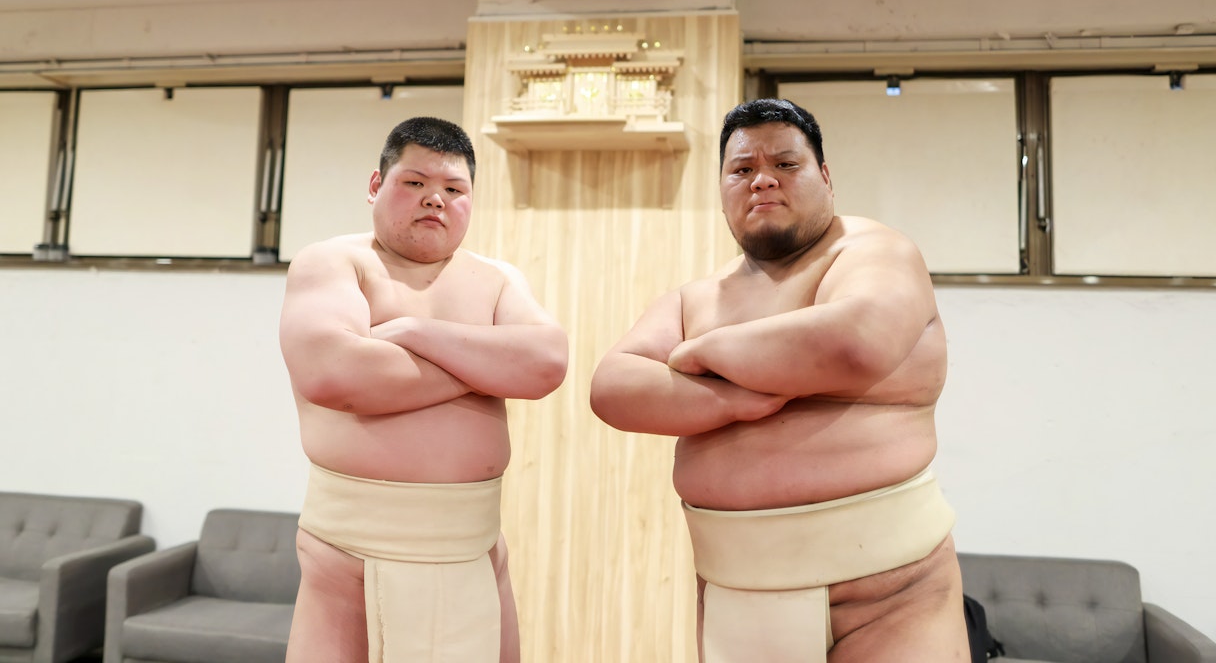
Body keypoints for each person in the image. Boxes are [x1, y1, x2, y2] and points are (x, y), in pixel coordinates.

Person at [589, 99, 967, 662]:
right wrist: (741, 397)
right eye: (741, 170)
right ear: (722, 188)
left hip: (889, 592)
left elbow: (853, 340)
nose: (761, 180)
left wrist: (700, 353)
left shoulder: (872, 251)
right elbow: (614, 388)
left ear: (826, 176)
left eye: (785, 165)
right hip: (737, 585)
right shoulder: (697, 295)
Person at [279, 117, 568, 663]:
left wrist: (416, 334)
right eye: (414, 183)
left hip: (472, 545)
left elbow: (547, 364)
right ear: (375, 185)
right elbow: (335, 374)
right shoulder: (336, 262)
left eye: (454, 190)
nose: (435, 199)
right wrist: (488, 363)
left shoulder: (497, 279)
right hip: (350, 550)